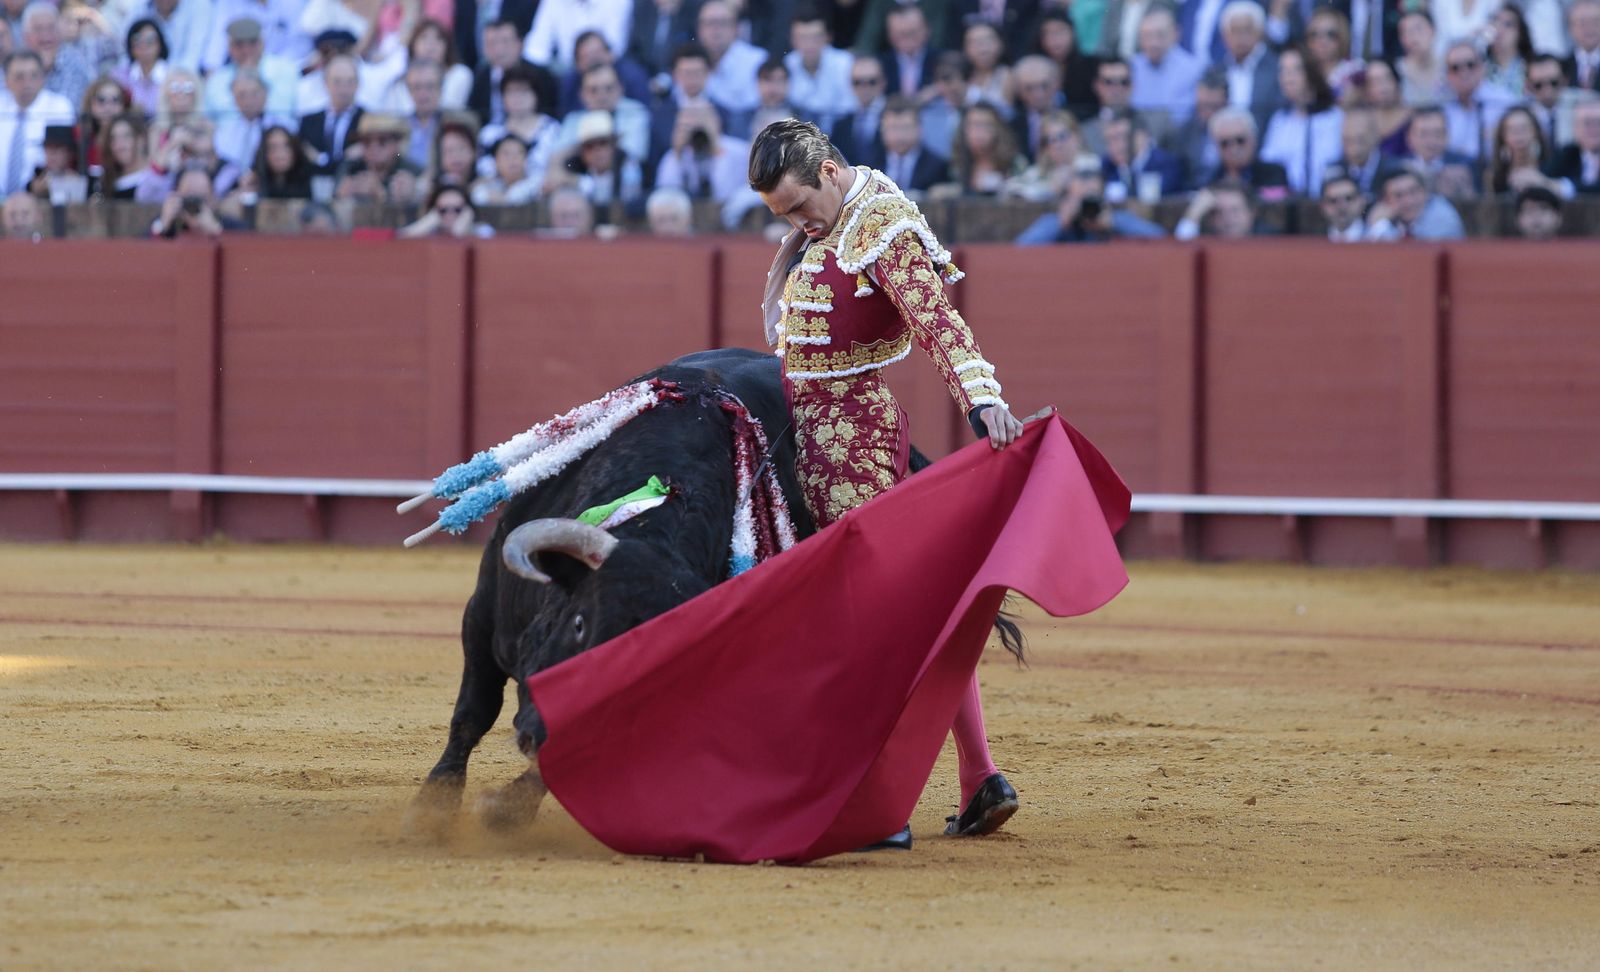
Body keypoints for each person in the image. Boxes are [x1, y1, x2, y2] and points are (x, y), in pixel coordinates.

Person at [747, 118, 1025, 845]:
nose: (799, 223)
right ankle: (979, 776)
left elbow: (937, 321)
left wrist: (980, 396)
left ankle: (881, 805)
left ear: (831, 172)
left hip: (851, 445)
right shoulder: (834, 225)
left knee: (869, 624)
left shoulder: (880, 226)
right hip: (827, 436)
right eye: (784, 215)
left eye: (801, 206)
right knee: (918, 611)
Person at [651, 101, 761, 228]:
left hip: (730, 223)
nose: (695, 131)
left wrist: (715, 149)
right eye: (688, 126)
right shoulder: (674, 156)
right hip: (688, 226)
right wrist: (677, 155)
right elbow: (667, 195)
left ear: (716, 122)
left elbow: (725, 193)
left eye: (700, 123)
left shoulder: (740, 152)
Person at [1015, 153, 1167, 243]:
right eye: (1082, 177)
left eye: (1093, 177)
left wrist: (1114, 223)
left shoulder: (1116, 218)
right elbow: (1018, 251)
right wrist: (1060, 224)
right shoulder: (1055, 220)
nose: (1088, 184)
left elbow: (1161, 239)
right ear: (1069, 186)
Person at [1260, 45, 1343, 196]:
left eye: (1295, 70)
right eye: (1283, 71)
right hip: (1287, 205)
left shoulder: (1335, 118)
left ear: (1311, 72)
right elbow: (1270, 164)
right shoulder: (1279, 120)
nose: (1287, 78)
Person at [2, 51, 78, 198]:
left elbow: (64, 158)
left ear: (43, 78)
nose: (27, 83)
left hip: (41, 199)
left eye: (34, 75)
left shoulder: (59, 107)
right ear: (6, 80)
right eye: (19, 76)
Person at [1130, 5, 1203, 129]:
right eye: (1147, 36)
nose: (1153, 43)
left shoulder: (1194, 69)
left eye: (1160, 35)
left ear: (1176, 33)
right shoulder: (1132, 67)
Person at [783, 6, 853, 132]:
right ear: (792, 40)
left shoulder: (845, 64)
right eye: (803, 38)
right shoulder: (787, 65)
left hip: (840, 134)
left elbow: (851, 109)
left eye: (816, 37)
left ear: (828, 38)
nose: (810, 45)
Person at [1201, 105, 1289, 199]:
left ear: (1253, 140)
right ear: (1216, 147)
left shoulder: (1273, 174)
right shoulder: (1209, 180)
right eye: (1225, 143)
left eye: (1240, 140)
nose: (1233, 148)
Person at [297, 52, 363, 173]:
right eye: (337, 81)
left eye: (350, 82)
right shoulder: (308, 122)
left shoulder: (368, 121)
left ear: (358, 85)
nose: (344, 89)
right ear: (325, 83)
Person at [869, 94, 948, 194]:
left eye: (905, 128)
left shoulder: (936, 167)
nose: (899, 136)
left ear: (919, 129)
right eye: (893, 128)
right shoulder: (870, 166)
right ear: (882, 130)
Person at [1365, 166, 1466, 239]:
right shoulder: (1386, 218)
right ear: (1386, 201)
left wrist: (1380, 226)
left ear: (1425, 192)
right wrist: (1379, 225)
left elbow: (1415, 257)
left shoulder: (1442, 215)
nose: (1409, 201)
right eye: (1398, 195)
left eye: (1413, 192)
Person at [115, 17, 168, 116]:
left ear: (160, 44)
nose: (144, 45)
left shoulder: (173, 76)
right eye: (138, 39)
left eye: (150, 39)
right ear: (130, 46)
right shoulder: (118, 77)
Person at [399, 181, 494, 237]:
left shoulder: (482, 231)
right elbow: (396, 241)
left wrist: (460, 233)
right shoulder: (428, 232)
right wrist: (422, 226)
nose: (450, 215)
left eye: (457, 210)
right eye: (443, 210)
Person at [1173, 179, 1258, 239]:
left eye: (1235, 211)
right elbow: (1181, 253)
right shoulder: (1206, 242)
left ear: (1251, 213)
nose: (1228, 219)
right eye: (1220, 212)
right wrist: (1193, 215)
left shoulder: (1269, 239)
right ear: (1211, 219)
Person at [1547, 99, 1600, 194]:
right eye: (1587, 123)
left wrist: (1566, 187)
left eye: (1598, 122)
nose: (1594, 128)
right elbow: (1545, 177)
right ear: (1576, 128)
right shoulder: (1568, 153)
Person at [471, 133, 540, 204]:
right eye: (506, 154)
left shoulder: (536, 182)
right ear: (496, 161)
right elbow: (478, 195)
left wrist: (501, 199)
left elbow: (515, 198)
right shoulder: (490, 183)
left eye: (519, 153)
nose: (513, 158)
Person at [1485, 3, 1534, 99]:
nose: (1499, 29)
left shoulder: (1531, 69)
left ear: (1520, 33)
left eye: (1508, 24)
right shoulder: (1479, 69)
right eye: (1495, 21)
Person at [1395, 9, 1444, 107]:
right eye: (1407, 32)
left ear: (1433, 30)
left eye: (1418, 29)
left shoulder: (1451, 66)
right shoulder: (1396, 71)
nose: (1414, 37)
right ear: (1401, 40)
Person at [1318, 168, 1367, 241]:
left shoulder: (1377, 236)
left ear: (1361, 202)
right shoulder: (1313, 239)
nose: (1341, 206)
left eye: (1348, 198)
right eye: (1333, 201)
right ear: (1323, 206)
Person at [1563, 0, 1600, 93]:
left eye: (1595, 22)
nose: (1589, 28)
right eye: (1582, 23)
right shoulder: (1562, 67)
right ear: (1570, 28)